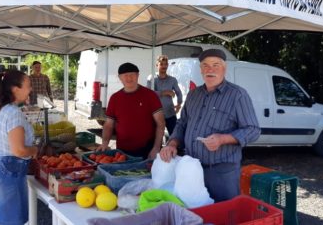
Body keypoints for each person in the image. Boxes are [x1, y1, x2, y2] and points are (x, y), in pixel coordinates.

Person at [159, 49, 260, 202]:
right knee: (197, 211)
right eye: (205, 65)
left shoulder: (237, 95)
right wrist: (172, 143)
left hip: (222, 172)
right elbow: (182, 123)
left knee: (224, 214)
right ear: (200, 70)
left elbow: (253, 130)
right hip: (192, 168)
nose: (210, 69)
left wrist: (223, 139)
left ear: (224, 68)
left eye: (216, 65)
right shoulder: (194, 95)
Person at [0, 70, 39, 225]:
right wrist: (34, 150)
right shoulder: (13, 113)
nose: (31, 90)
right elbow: (19, 150)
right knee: (12, 220)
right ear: (15, 89)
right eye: (28, 86)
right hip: (7, 171)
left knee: (1, 217)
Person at [96, 62, 166, 160]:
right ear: (119, 77)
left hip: (147, 150)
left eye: (132, 75)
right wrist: (104, 143)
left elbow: (161, 123)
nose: (129, 78)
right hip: (122, 152)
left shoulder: (150, 95)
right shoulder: (115, 98)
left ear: (138, 75)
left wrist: (156, 148)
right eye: (125, 76)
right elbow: (108, 125)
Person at [147, 55, 183, 136]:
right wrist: (164, 92)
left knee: (174, 136)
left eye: (165, 64)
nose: (164, 66)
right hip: (155, 114)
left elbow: (179, 93)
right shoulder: (151, 78)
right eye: (161, 64)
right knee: (155, 138)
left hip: (170, 113)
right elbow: (148, 94)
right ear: (157, 65)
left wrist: (179, 104)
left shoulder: (172, 80)